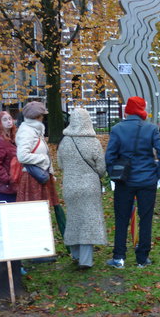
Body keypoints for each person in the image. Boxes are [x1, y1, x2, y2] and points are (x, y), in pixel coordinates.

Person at [105, 96, 160, 269]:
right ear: (142, 109)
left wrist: (114, 175)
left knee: (121, 219)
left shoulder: (118, 128)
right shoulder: (151, 128)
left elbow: (109, 156)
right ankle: (142, 258)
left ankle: (119, 257)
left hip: (125, 181)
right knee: (146, 219)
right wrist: (157, 174)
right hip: (147, 180)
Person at [57, 108, 107, 269]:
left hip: (70, 185)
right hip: (89, 186)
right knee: (88, 221)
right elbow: (101, 167)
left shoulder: (64, 142)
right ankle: (86, 260)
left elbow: (60, 164)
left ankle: (75, 254)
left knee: (74, 219)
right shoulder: (93, 142)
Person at [15, 101, 58, 206]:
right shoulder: (26, 131)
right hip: (32, 177)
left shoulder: (35, 130)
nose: (43, 117)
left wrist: (50, 172)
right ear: (38, 116)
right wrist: (43, 158)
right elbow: (22, 156)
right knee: (34, 210)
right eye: (42, 115)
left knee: (42, 210)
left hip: (40, 175)